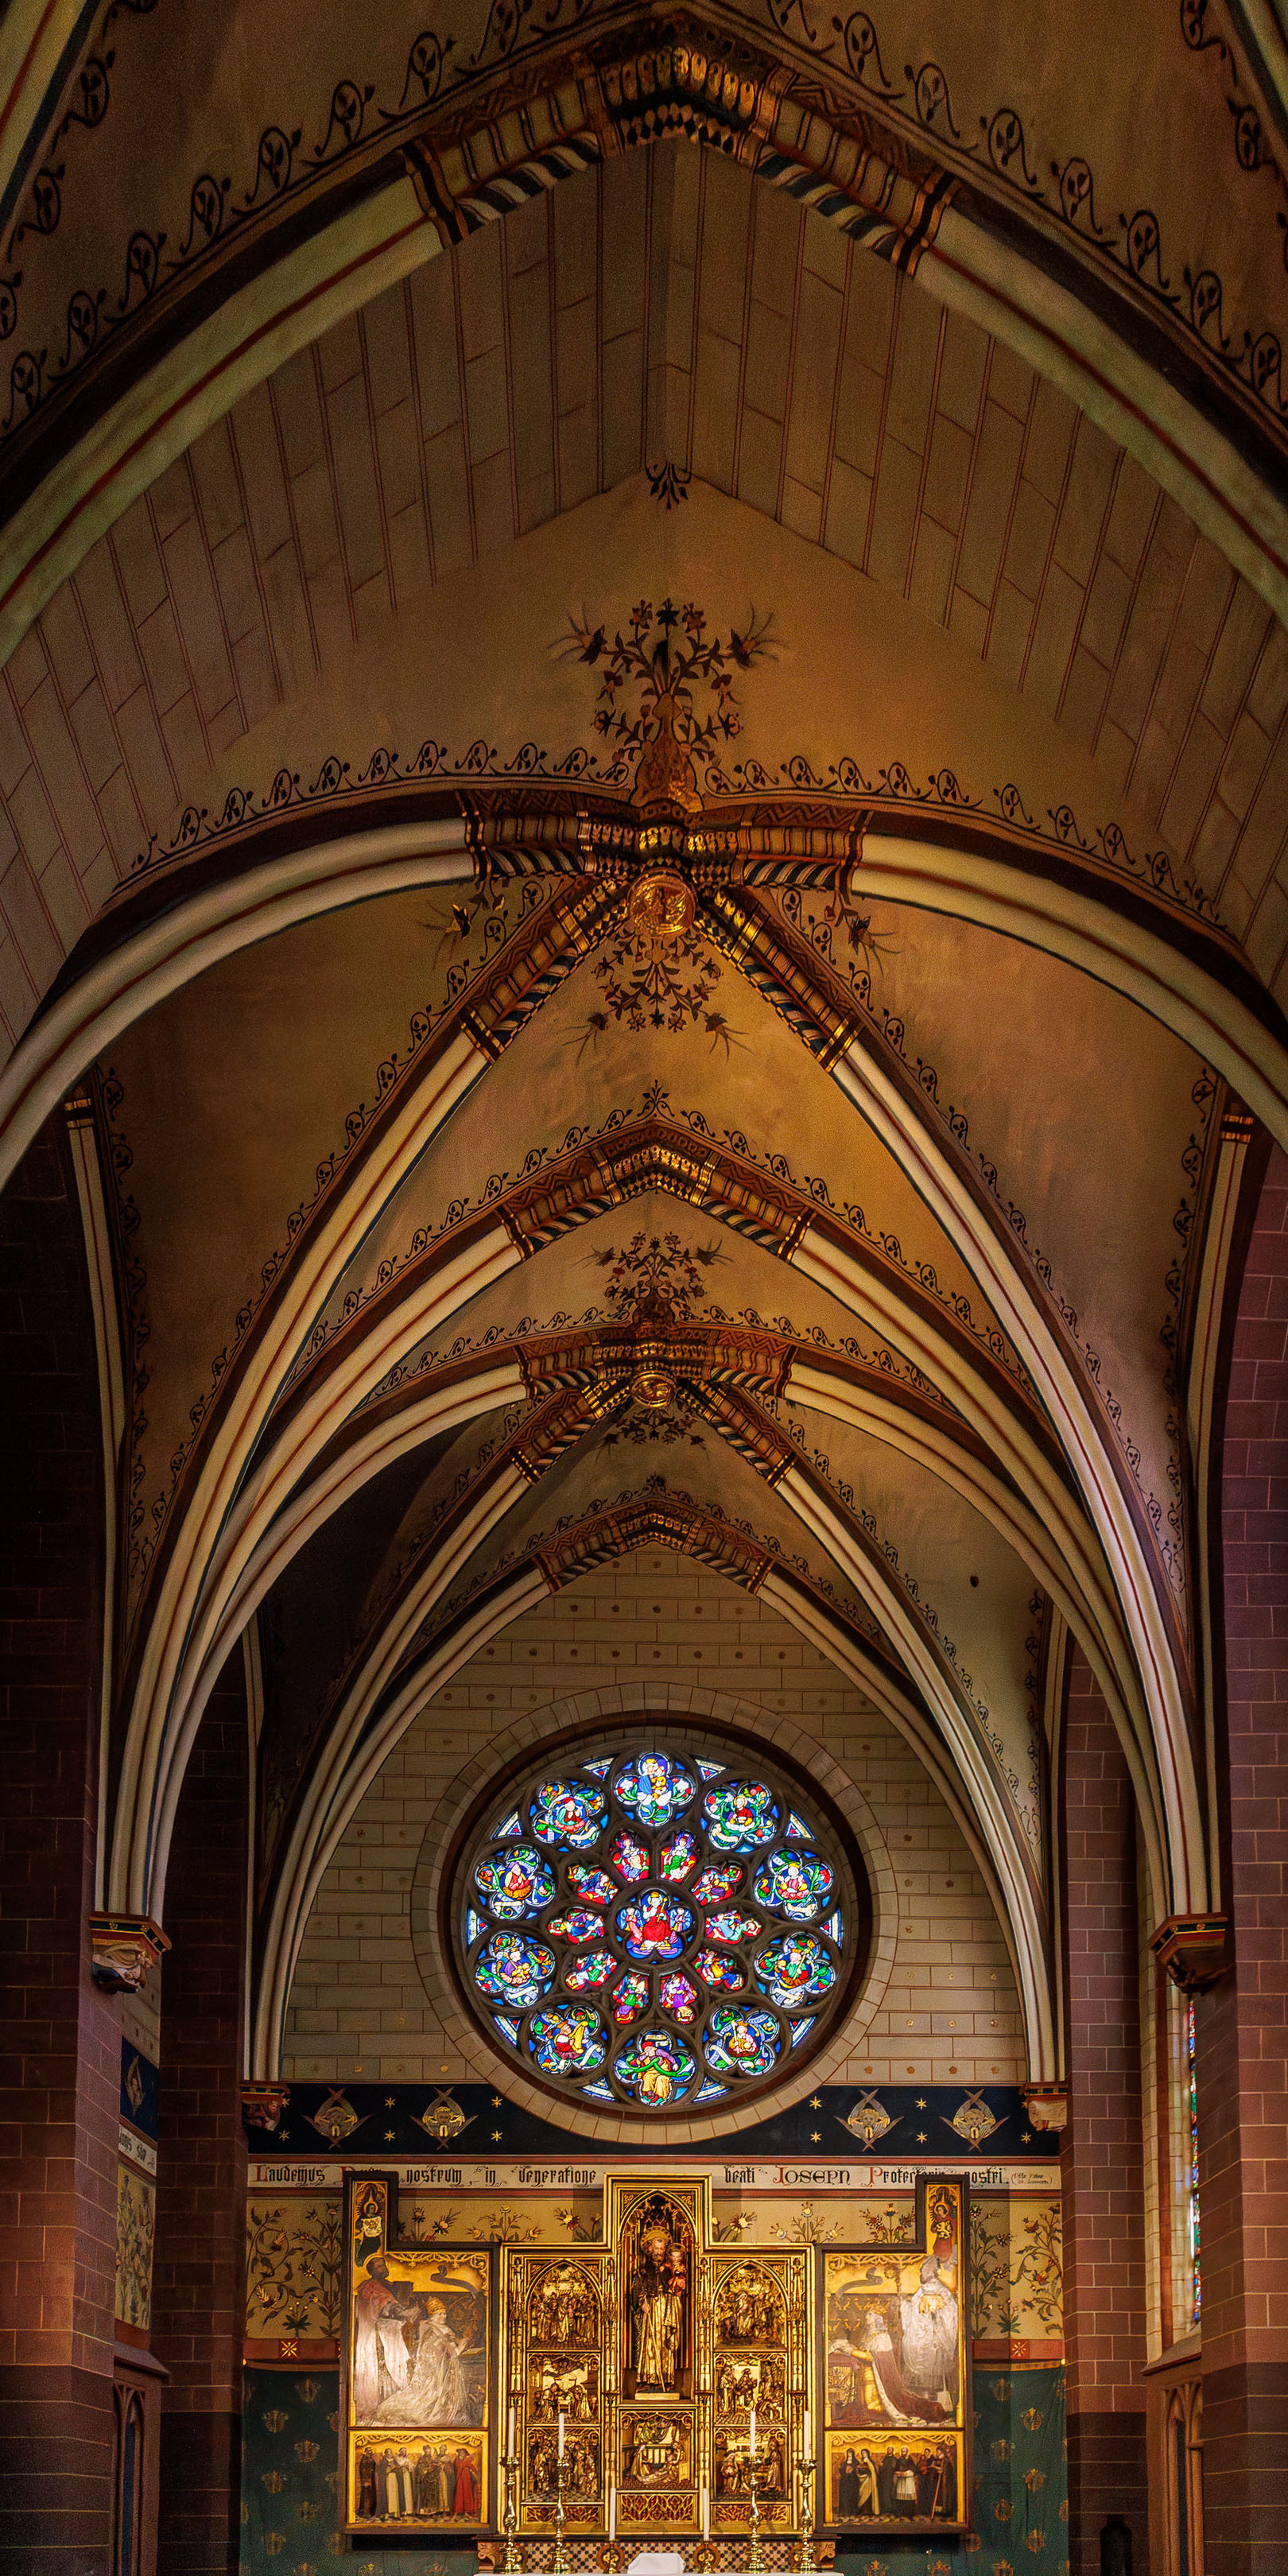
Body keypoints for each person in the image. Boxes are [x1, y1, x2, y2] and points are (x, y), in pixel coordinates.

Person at [352, 2258, 413, 2420]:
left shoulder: (387, 2286)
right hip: (377, 2335)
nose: (383, 2268)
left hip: (382, 2332)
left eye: (383, 2265)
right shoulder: (372, 2288)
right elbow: (387, 2308)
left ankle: (391, 2406)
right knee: (384, 2366)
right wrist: (406, 2313)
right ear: (371, 2271)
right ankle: (384, 2407)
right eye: (378, 2266)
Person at [453, 2444, 482, 2517]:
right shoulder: (457, 2461)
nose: (460, 2454)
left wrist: (470, 2469)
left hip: (467, 2480)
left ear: (465, 2454)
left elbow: (474, 2469)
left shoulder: (467, 2461)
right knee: (459, 2495)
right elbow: (458, 2468)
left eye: (462, 2453)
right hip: (460, 2479)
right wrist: (466, 2463)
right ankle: (457, 2512)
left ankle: (467, 2512)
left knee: (467, 2495)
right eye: (460, 2453)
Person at [356, 2448, 378, 2518]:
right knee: (367, 2497)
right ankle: (366, 2512)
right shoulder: (365, 2460)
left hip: (371, 2481)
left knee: (370, 2496)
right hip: (367, 2482)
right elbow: (363, 2471)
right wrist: (366, 2481)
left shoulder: (369, 2459)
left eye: (371, 2451)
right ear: (366, 2452)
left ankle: (370, 2512)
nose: (371, 2452)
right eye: (369, 2451)